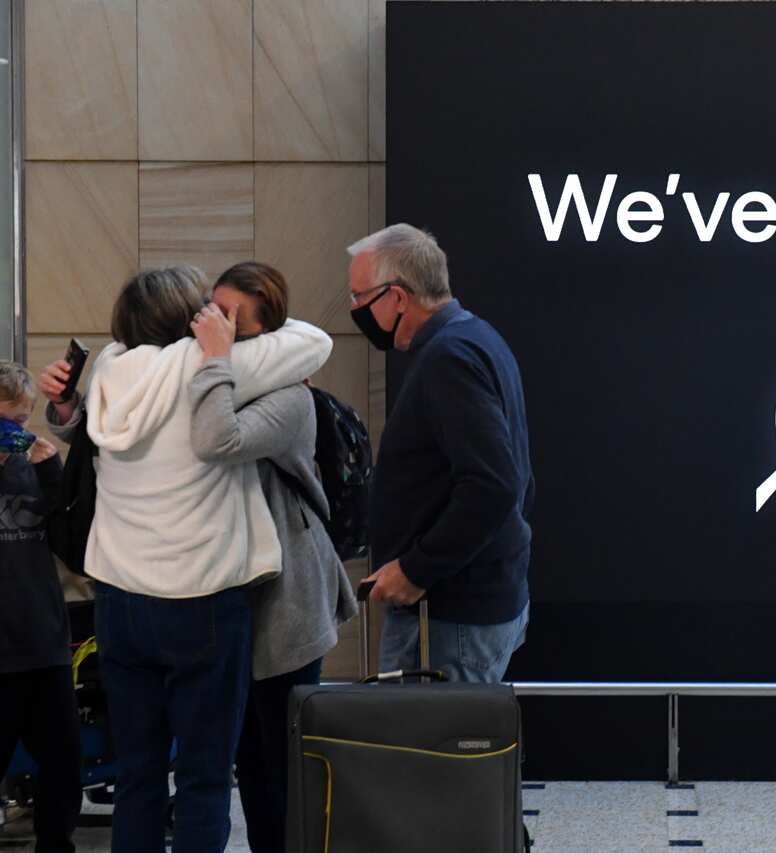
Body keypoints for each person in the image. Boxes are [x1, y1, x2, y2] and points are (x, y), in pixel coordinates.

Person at [40, 266, 331, 853]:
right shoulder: (211, 367)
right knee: (202, 780)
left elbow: (102, 439)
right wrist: (222, 339)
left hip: (119, 606)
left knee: (139, 776)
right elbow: (314, 342)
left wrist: (67, 403)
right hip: (203, 606)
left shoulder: (110, 373)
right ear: (189, 320)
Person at [187, 261, 356, 853]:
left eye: (231, 318)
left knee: (277, 765)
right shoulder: (212, 377)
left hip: (285, 601)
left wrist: (213, 361)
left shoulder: (289, 398)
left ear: (265, 336)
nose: (213, 324)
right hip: (232, 595)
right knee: (248, 761)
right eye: (212, 308)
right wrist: (69, 412)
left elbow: (218, 439)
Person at [349, 224, 533, 683]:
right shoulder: (473, 337)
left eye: (359, 297)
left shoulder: (450, 357)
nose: (353, 309)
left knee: (427, 753)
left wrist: (416, 569)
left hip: (450, 620)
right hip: (462, 608)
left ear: (397, 297)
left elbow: (494, 485)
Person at [0, 361, 81, 853]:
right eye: (7, 423)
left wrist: (52, 472)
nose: (17, 434)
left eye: (23, 422)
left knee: (64, 762)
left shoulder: (34, 464)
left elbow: (72, 546)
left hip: (43, 640)